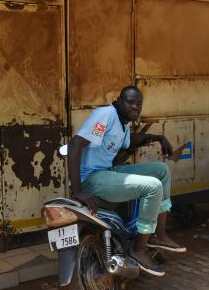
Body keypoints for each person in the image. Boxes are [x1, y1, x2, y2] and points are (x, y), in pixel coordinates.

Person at [67, 86, 186, 277]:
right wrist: (78, 190)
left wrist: (158, 137)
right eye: (130, 102)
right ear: (119, 101)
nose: (135, 107)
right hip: (92, 178)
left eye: (139, 104)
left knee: (161, 170)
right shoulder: (106, 115)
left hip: (108, 171)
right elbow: (75, 145)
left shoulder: (124, 123)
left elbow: (128, 141)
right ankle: (138, 249)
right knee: (152, 187)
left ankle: (159, 235)